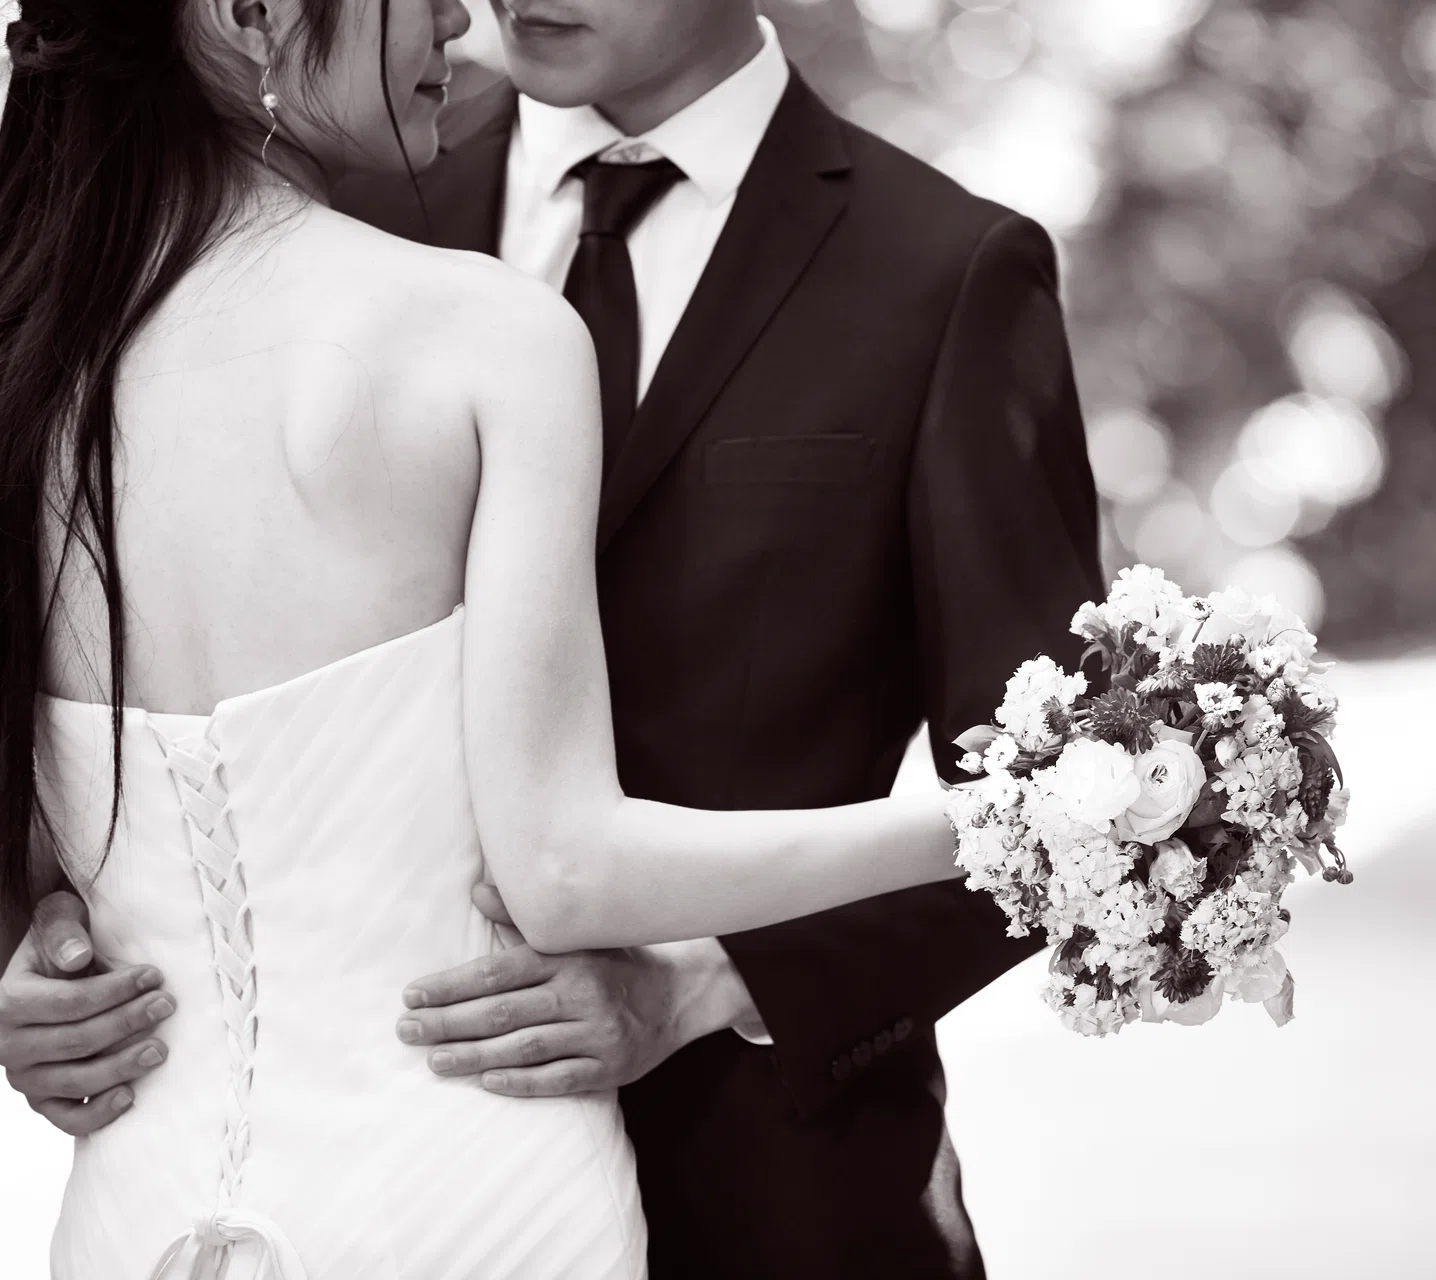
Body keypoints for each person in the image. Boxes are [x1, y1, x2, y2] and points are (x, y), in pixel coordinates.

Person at [0, 0, 1091, 1272]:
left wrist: (708, 982)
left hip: (776, 1192)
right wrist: (38, 959)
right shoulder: (370, 181)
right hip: (359, 1173)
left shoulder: (944, 269)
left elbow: (1037, 768)